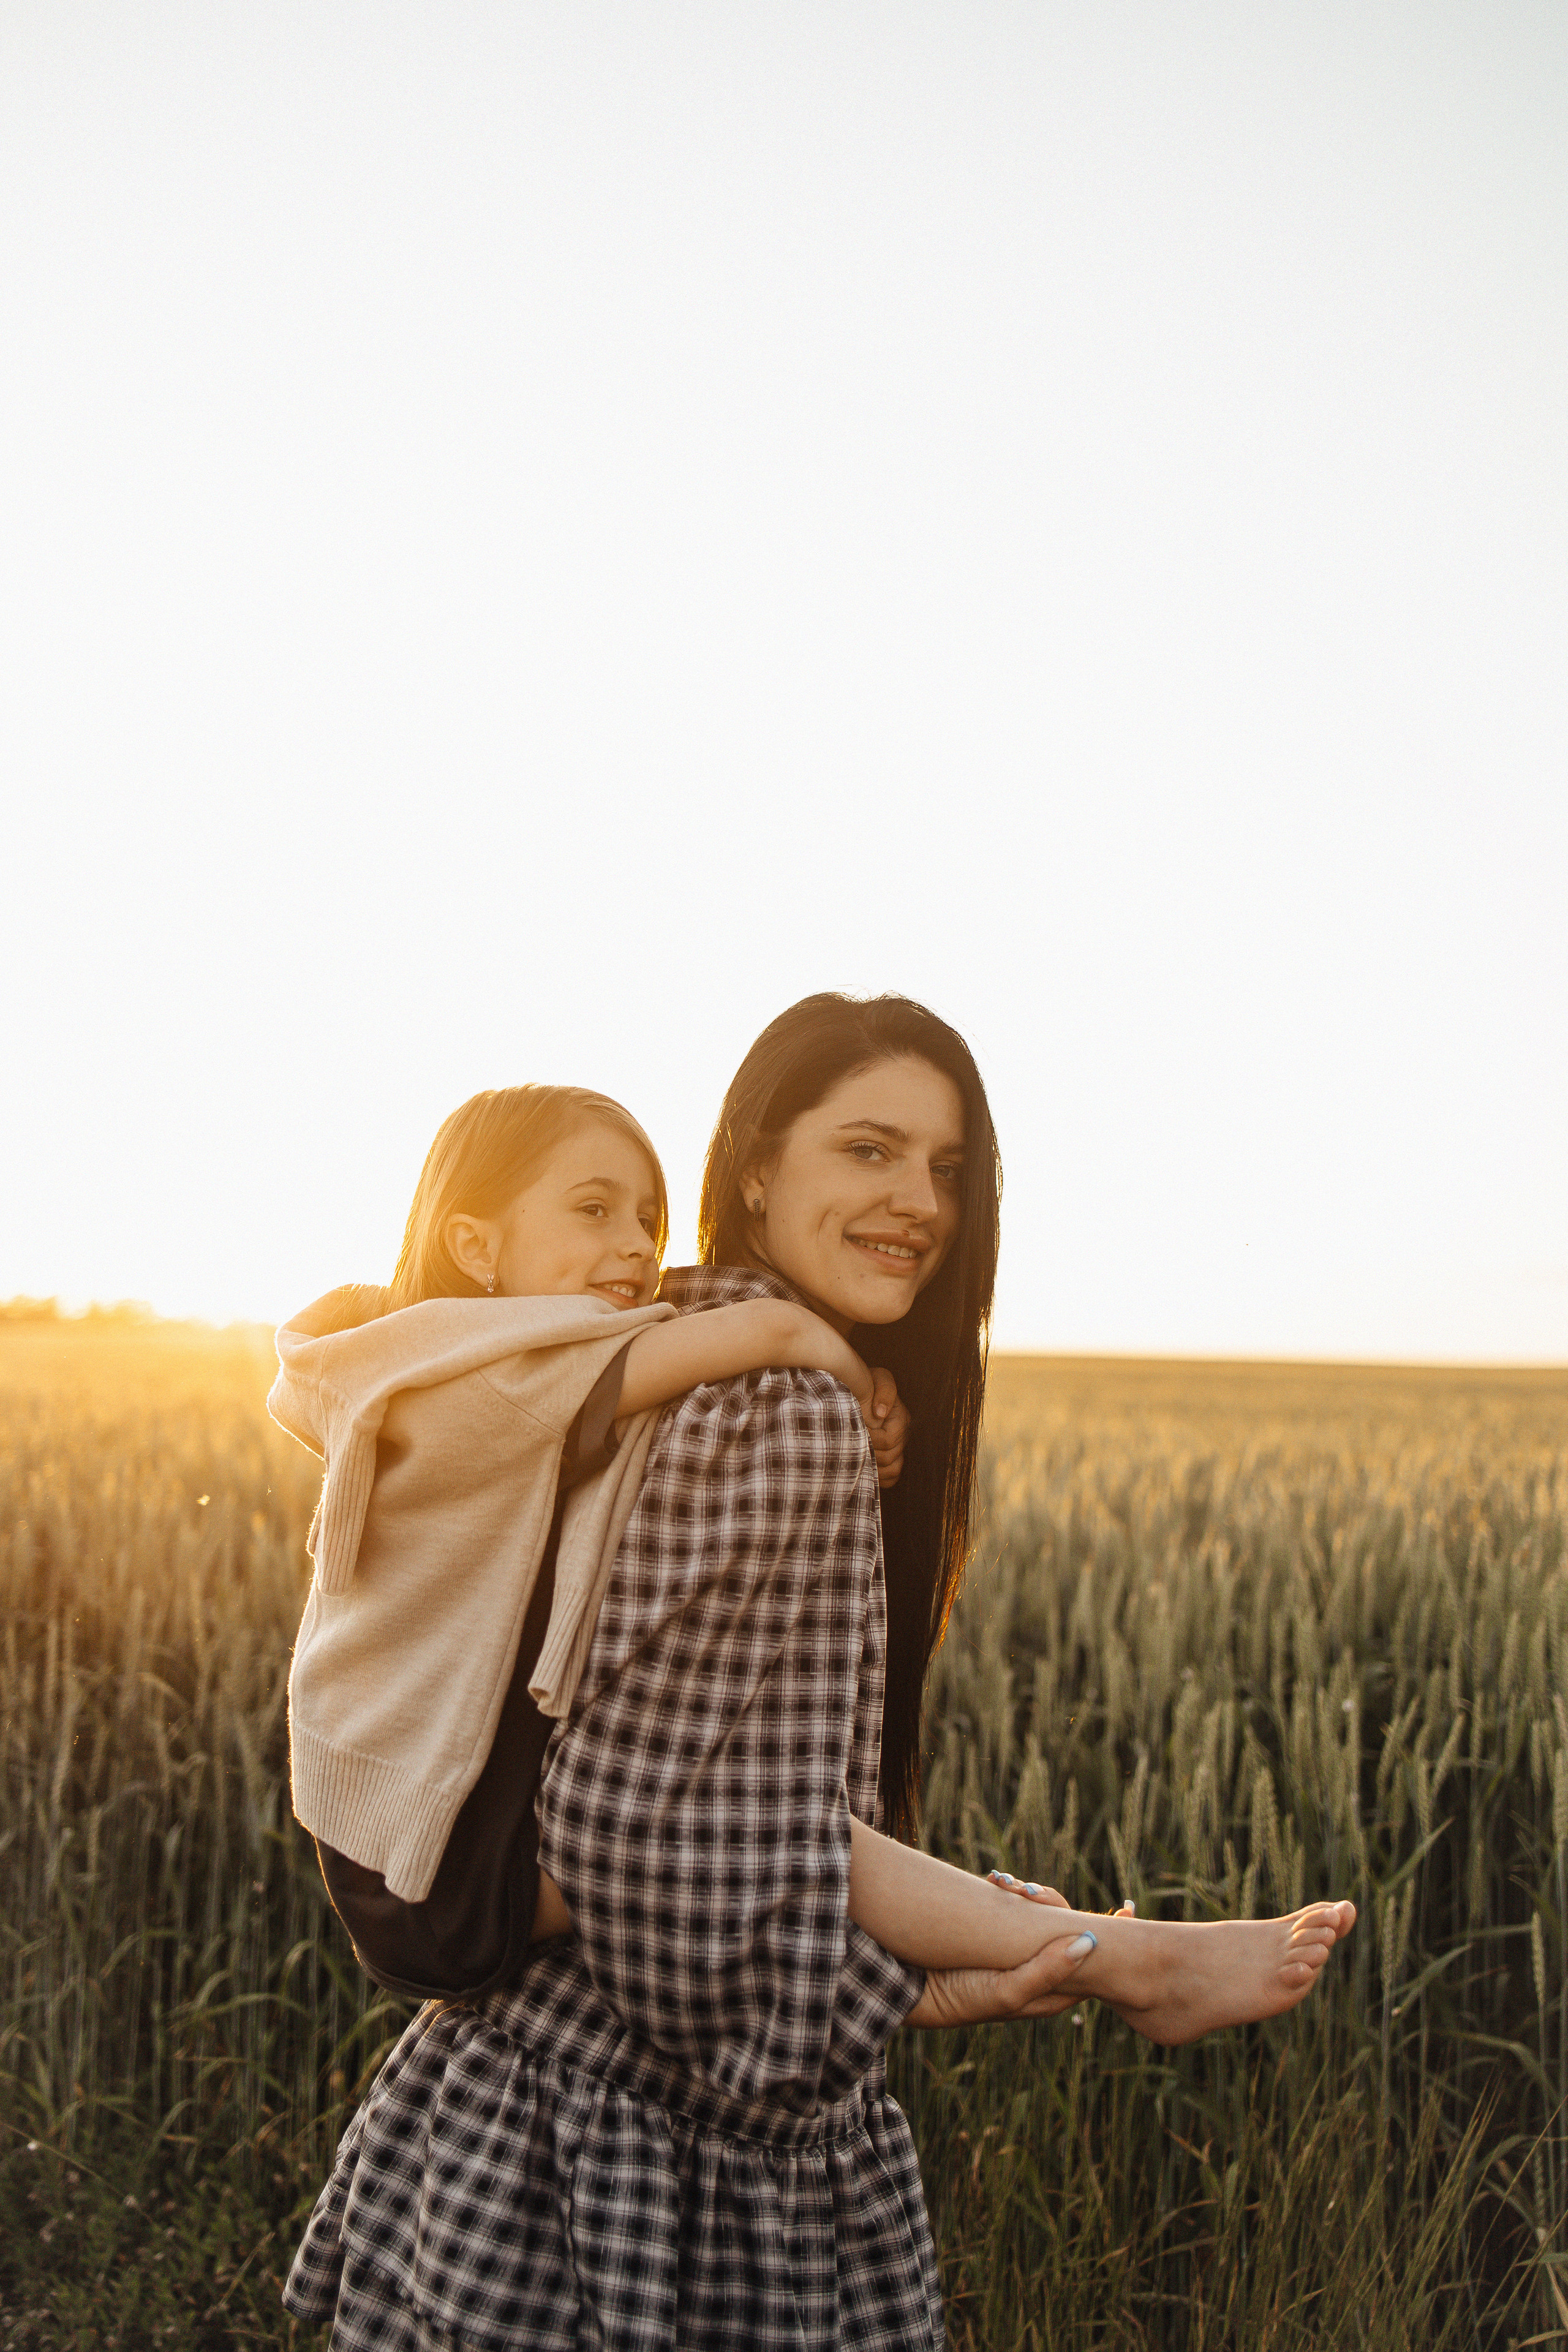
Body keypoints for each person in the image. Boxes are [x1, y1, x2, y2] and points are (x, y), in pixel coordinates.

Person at [284, 998, 1354, 2350]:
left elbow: (715, 1818)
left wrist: (950, 1965)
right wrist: (916, 1986)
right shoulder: (776, 1405)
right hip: (637, 2169)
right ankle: (1119, 1953)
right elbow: (654, 1847)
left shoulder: (633, 1342)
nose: (920, 1202)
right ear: (754, 1168)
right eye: (867, 1149)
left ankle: (1095, 1946)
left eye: (947, 1168)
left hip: (505, 2119)